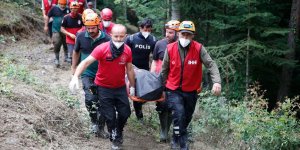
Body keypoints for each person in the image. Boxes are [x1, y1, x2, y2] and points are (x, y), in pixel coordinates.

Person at [69, 24, 135, 150]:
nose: (119, 39)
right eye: (116, 36)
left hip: (120, 87)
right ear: (111, 35)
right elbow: (86, 62)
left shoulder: (127, 50)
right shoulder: (102, 49)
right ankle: (114, 136)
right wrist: (75, 76)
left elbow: (130, 69)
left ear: (125, 36)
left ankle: (119, 129)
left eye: (121, 37)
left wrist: (132, 86)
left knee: (125, 112)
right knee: (109, 116)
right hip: (104, 87)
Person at [161, 21, 222, 150]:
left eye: (188, 35)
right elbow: (164, 70)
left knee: (186, 117)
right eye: (183, 34)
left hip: (191, 90)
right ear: (178, 34)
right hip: (173, 89)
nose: (185, 37)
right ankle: (181, 145)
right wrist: (161, 88)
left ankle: (176, 136)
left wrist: (216, 82)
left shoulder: (199, 48)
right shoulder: (170, 48)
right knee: (179, 114)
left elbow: (211, 65)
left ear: (192, 35)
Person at [71, 12, 111, 137]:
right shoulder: (81, 36)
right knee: (90, 98)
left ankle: (101, 127)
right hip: (87, 73)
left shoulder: (107, 39)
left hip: (103, 74)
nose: (90, 30)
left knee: (103, 101)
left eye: (93, 28)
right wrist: (74, 69)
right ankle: (94, 121)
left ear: (98, 25)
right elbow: (76, 52)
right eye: (88, 28)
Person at [150, 20, 180, 143]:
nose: (167, 35)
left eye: (171, 33)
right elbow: (155, 61)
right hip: (161, 79)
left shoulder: (182, 46)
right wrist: (152, 78)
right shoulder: (159, 44)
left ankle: (173, 131)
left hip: (177, 80)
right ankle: (163, 131)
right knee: (162, 105)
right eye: (167, 32)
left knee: (174, 106)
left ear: (177, 33)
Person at [125, 18, 157, 122]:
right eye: (145, 29)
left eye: (149, 30)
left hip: (144, 70)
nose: (147, 32)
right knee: (125, 91)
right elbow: (124, 52)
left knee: (140, 94)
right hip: (130, 68)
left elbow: (155, 57)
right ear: (140, 28)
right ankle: (125, 112)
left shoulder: (153, 40)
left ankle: (139, 117)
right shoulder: (131, 38)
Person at [44, 0, 70, 67]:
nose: (62, 6)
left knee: (66, 43)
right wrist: (46, 26)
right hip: (56, 29)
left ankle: (66, 56)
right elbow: (48, 16)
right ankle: (57, 58)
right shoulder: (54, 8)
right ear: (59, 3)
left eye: (64, 4)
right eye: (61, 4)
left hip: (65, 30)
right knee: (56, 43)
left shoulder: (68, 9)